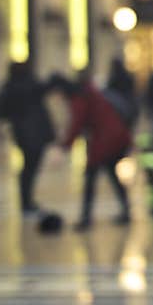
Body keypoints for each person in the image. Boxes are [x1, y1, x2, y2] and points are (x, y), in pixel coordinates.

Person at [54, 69, 133, 231]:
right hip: (113, 137)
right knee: (111, 175)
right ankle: (125, 211)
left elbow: (77, 123)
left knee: (91, 178)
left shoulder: (81, 98)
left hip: (105, 141)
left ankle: (86, 217)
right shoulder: (90, 93)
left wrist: (65, 146)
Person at [0, 61, 55, 217]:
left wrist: (13, 115)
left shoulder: (11, 86)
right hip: (34, 133)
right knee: (30, 167)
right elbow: (45, 88)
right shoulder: (29, 84)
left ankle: (26, 201)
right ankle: (26, 201)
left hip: (23, 134)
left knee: (28, 168)